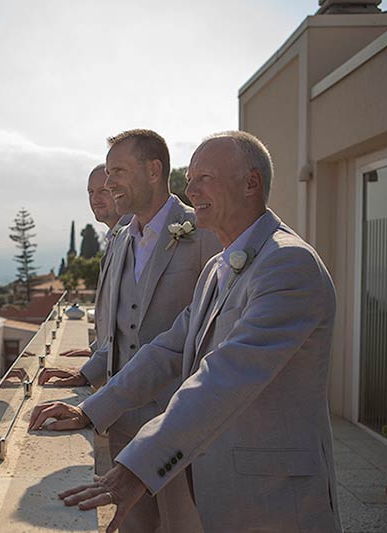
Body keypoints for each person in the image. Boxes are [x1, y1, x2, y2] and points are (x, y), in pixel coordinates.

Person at [30, 131, 342, 533]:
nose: (190, 190)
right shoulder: (219, 267)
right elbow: (169, 350)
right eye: (190, 178)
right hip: (219, 486)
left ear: (251, 183)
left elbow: (225, 377)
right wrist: (91, 411)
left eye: (204, 178)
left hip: (275, 499)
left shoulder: (289, 264)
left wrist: (134, 471)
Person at [39, 129, 220, 532]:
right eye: (107, 172)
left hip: (181, 424)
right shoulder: (121, 240)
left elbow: (203, 328)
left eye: (117, 170)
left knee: (184, 525)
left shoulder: (202, 231)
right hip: (123, 422)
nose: (108, 183)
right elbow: (120, 331)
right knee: (134, 527)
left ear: (154, 170)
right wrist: (88, 373)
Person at [60, 163, 131, 358]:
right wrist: (96, 350)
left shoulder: (138, 237)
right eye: (90, 192)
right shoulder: (114, 237)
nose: (95, 199)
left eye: (103, 191)